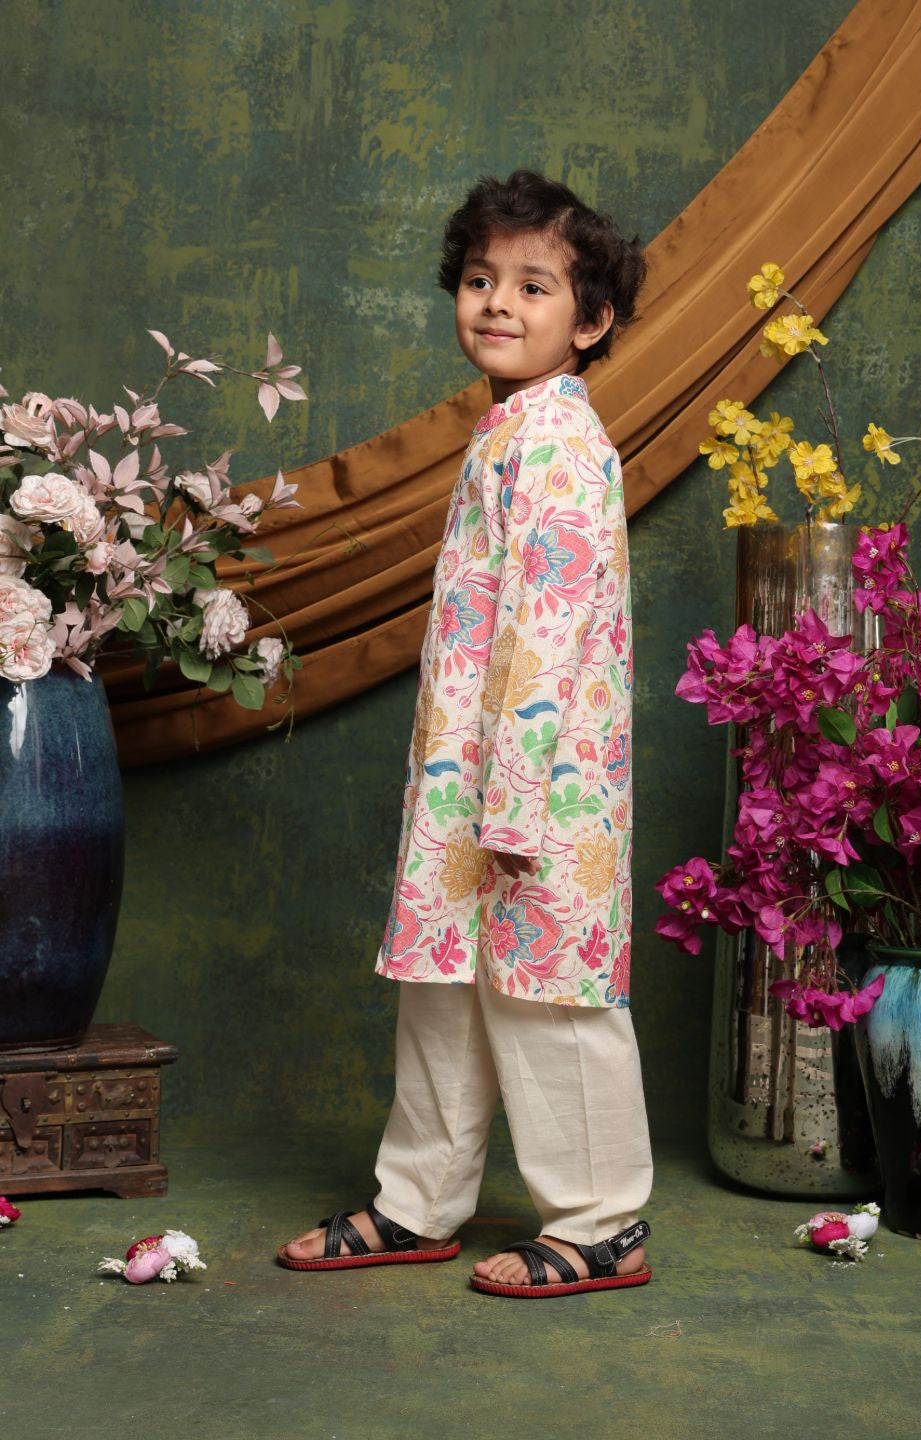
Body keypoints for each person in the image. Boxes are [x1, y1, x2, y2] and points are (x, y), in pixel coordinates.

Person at [279, 171, 653, 1297]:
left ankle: (602, 1220)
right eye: (482, 278)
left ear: (590, 323)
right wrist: (463, 787)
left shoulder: (560, 445)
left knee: (551, 997)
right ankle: (419, 1200)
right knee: (441, 988)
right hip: (466, 774)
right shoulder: (506, 432)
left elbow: (547, 634)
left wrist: (516, 802)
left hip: (542, 782)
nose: (497, 302)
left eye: (534, 286)